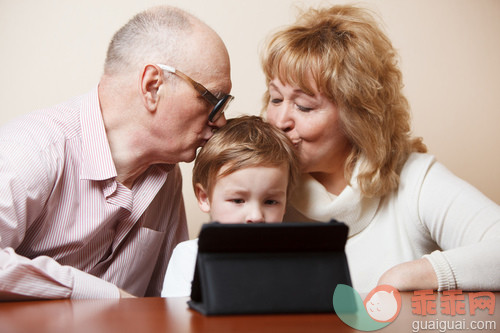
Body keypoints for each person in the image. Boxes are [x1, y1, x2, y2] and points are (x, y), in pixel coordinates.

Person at [261, 5, 500, 293]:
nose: (279, 120)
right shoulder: (258, 189)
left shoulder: (415, 180)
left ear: (357, 116)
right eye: (275, 99)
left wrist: (407, 276)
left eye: (304, 106)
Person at [0, 6, 232, 300]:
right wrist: (99, 294)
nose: (221, 120)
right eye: (215, 100)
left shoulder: (167, 175)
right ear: (152, 86)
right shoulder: (32, 150)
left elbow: (169, 300)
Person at [161, 115, 300, 297]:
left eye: (271, 202)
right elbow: (178, 319)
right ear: (204, 197)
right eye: (238, 200)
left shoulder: (295, 259)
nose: (256, 216)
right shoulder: (190, 257)